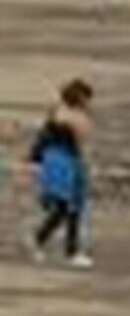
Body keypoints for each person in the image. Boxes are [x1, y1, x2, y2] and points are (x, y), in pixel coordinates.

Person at [28, 79, 95, 268]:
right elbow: (83, 139)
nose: (89, 103)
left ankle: (47, 242)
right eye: (87, 98)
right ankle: (62, 248)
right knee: (68, 207)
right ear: (80, 98)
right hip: (64, 162)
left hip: (58, 161)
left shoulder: (58, 112)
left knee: (67, 208)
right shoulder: (73, 117)